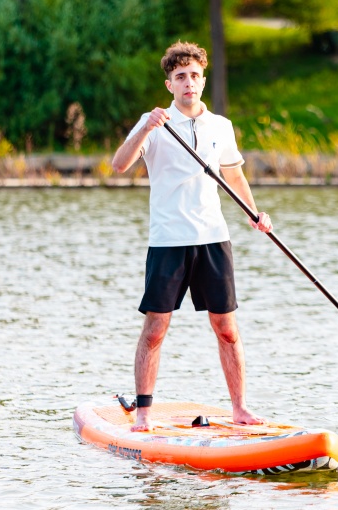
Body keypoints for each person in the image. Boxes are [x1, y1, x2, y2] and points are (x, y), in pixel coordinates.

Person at [110, 41, 272, 432]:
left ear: (202, 80)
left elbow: (234, 175)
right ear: (169, 84)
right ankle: (144, 413)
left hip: (213, 239)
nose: (189, 83)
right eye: (180, 77)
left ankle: (240, 409)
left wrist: (254, 214)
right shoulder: (154, 122)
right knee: (155, 330)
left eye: (195, 76)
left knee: (227, 329)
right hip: (168, 241)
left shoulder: (220, 126)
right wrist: (145, 129)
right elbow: (119, 165)